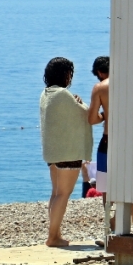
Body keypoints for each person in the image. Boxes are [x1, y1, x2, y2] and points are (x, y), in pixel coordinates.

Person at [40, 57, 93, 247]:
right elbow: (84, 113)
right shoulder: (63, 94)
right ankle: (53, 236)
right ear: (65, 74)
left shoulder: (47, 93)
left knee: (56, 193)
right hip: (68, 152)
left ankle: (55, 233)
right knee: (63, 194)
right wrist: (80, 102)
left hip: (53, 152)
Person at [88, 56, 133, 229]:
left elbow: (92, 119)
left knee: (105, 183)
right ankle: (121, 220)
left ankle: (108, 226)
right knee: (129, 181)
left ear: (99, 72)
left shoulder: (100, 88)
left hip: (109, 140)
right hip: (131, 140)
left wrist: (105, 115)